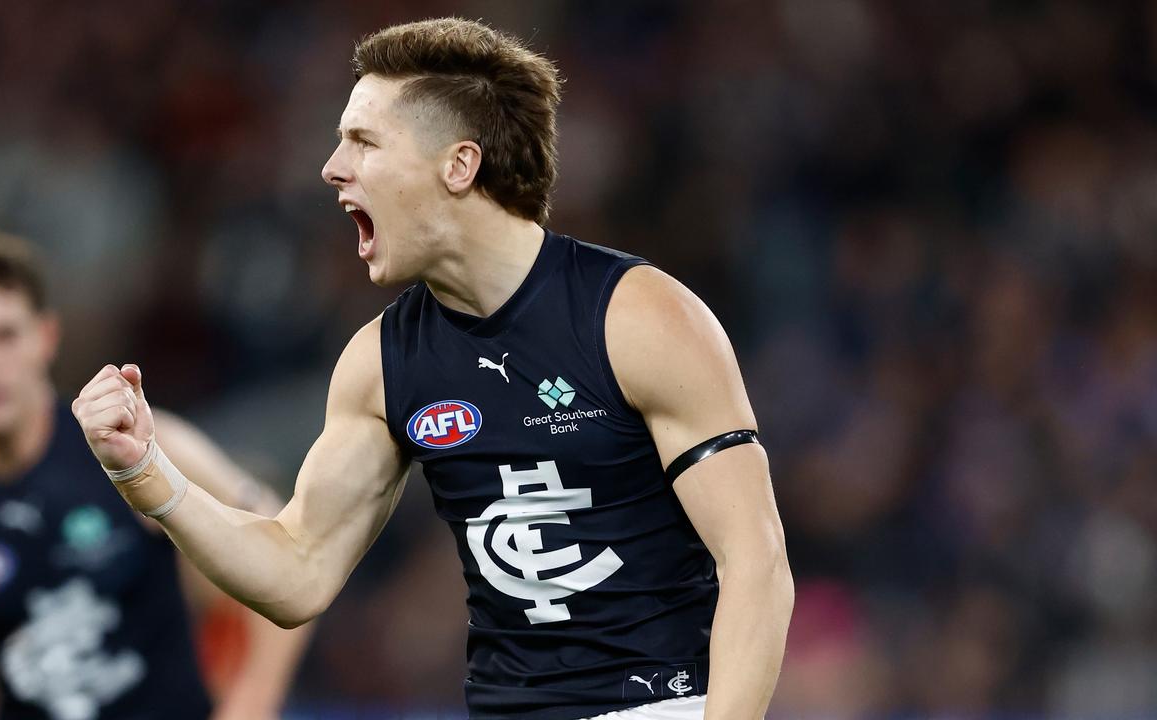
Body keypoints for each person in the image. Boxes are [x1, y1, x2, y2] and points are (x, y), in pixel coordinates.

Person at [71, 17, 792, 720]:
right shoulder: (381, 364)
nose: (332, 167)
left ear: (459, 164)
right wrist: (147, 474)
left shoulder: (639, 317)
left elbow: (755, 566)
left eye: (362, 141)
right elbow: (297, 573)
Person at [0, 230, 309, 720]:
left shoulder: (136, 447)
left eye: (5, 335)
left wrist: (247, 709)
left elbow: (280, 557)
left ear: (45, 337)